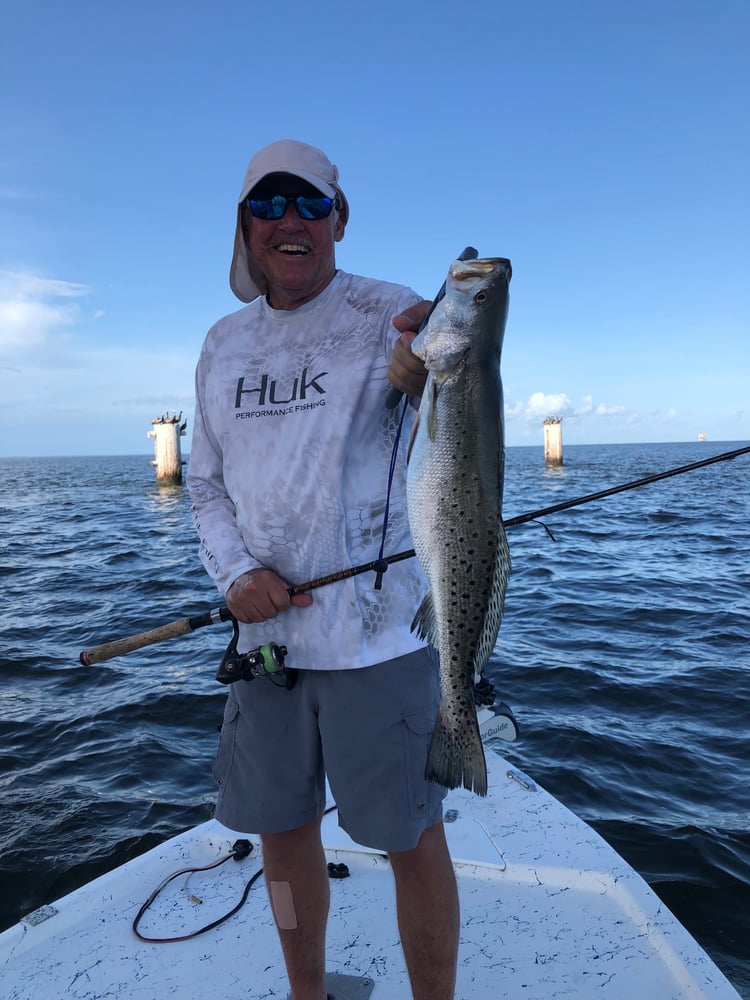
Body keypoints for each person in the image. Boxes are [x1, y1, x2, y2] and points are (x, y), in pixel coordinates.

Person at [187, 139, 459, 1000]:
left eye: (308, 204)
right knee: (281, 833)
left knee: (411, 838)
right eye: (268, 207)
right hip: (265, 640)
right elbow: (204, 484)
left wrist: (432, 368)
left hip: (378, 639)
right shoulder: (223, 343)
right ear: (245, 228)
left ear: (338, 219)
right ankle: (308, 992)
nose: (289, 222)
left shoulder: (393, 313)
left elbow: (457, 405)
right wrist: (234, 576)